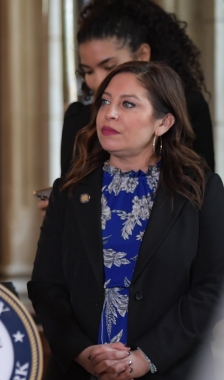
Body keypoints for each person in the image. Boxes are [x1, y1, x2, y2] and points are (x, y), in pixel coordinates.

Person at [28, 61, 224, 379]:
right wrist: (83, 352)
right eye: (105, 101)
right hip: (79, 371)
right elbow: (46, 286)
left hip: (172, 369)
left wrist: (147, 357)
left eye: (128, 104)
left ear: (163, 122)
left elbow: (213, 287)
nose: (110, 113)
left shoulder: (200, 189)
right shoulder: (70, 190)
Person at [38, 0, 215, 213]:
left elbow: (202, 198)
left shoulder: (188, 108)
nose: (96, 82)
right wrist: (64, 208)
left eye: (109, 66)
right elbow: (71, 193)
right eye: (88, 71)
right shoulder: (78, 118)